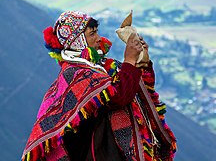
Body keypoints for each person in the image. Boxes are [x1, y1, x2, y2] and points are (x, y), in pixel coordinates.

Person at [21, 11, 176, 161]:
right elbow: (119, 97)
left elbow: (131, 84)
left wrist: (140, 62)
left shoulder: (100, 68)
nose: (98, 39)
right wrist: (129, 60)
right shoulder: (75, 74)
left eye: (96, 32)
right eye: (92, 34)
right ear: (77, 41)